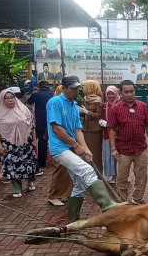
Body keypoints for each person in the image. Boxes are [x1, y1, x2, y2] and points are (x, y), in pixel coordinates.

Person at [46, 75, 118, 222]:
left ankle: (72, 220)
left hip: (71, 147)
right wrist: (76, 146)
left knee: (79, 184)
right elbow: (57, 129)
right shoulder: (55, 102)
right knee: (87, 170)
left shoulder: (74, 105)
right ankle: (108, 206)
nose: (76, 91)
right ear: (64, 88)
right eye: (73, 88)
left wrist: (86, 149)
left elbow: (78, 130)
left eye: (78, 88)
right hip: (60, 148)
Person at [108, 80, 148, 205]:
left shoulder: (143, 106)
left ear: (135, 91)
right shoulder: (115, 109)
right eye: (126, 92)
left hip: (140, 149)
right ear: (121, 93)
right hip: (123, 150)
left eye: (132, 91)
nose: (129, 94)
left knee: (141, 177)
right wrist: (113, 149)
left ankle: (137, 199)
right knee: (122, 178)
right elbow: (111, 129)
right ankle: (122, 202)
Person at [0, 90, 38, 198]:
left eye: (11, 97)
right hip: (9, 145)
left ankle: (30, 181)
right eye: (6, 98)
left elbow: (32, 127)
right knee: (12, 167)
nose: (10, 99)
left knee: (29, 165)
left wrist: (35, 140)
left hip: (25, 143)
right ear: (2, 100)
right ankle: (16, 188)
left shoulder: (24, 110)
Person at [47, 85, 73, 206]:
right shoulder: (55, 103)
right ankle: (53, 195)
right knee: (59, 169)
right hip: (59, 144)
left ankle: (65, 194)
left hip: (69, 142)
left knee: (68, 170)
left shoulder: (71, 104)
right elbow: (56, 127)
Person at [27, 80, 53, 175]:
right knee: (54, 139)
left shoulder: (36, 94)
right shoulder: (52, 94)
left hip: (41, 121)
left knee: (42, 141)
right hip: (52, 119)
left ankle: (42, 162)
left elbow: (29, 103)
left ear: (40, 87)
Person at [81, 80, 104, 174]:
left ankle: (97, 174)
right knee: (86, 152)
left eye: (84, 86)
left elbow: (99, 115)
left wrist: (86, 112)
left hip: (95, 130)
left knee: (96, 153)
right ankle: (88, 173)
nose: (82, 88)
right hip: (85, 128)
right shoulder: (85, 98)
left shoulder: (98, 100)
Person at [101, 85, 120, 184]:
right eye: (108, 94)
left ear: (116, 93)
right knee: (108, 155)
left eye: (113, 93)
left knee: (117, 155)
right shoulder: (105, 105)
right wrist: (102, 121)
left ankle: (118, 175)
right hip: (106, 134)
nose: (111, 96)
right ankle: (110, 175)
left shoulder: (120, 104)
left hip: (119, 135)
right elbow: (101, 116)